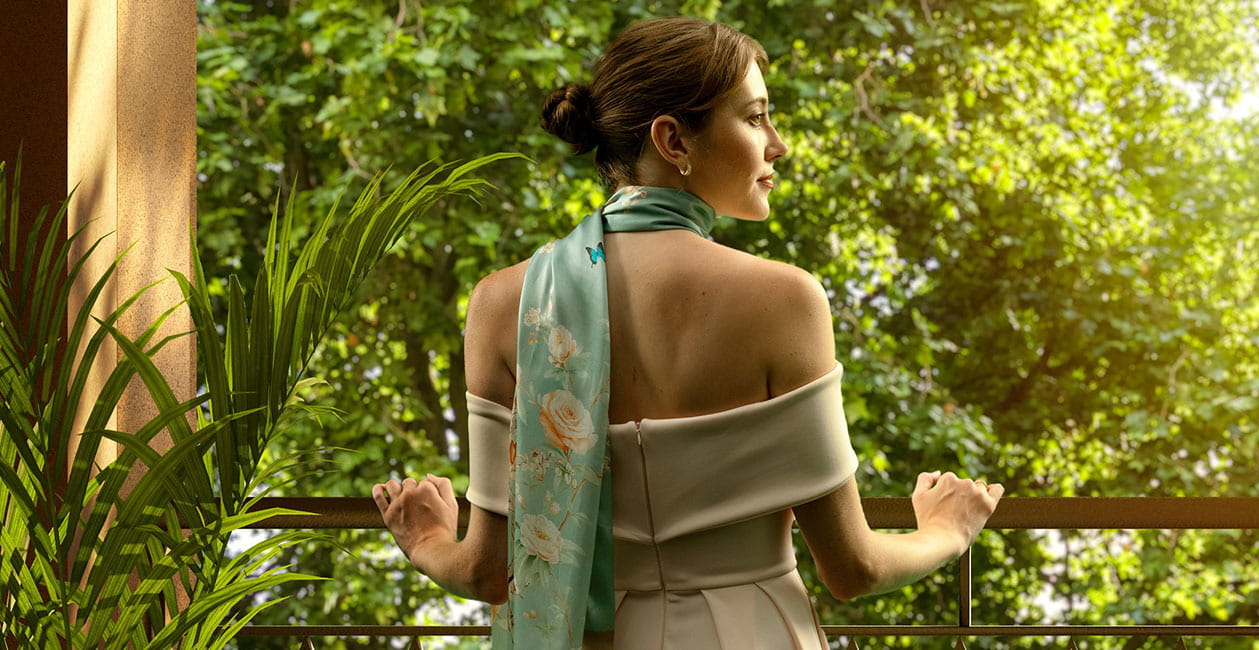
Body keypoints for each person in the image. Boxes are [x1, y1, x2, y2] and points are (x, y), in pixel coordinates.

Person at [368, 16, 1003, 649]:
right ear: (673, 139)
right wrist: (948, 528)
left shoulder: (500, 303)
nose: (777, 144)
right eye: (755, 118)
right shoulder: (785, 300)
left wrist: (424, 539)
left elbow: (486, 570)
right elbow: (853, 567)